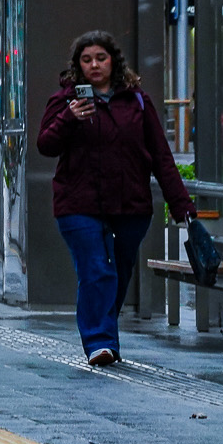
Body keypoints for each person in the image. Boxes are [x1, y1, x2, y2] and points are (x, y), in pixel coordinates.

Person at [34, 29, 193, 367]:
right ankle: (100, 342)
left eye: (100, 58)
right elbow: (45, 144)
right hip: (78, 204)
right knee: (96, 270)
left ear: (113, 61)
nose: (94, 65)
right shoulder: (65, 101)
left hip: (130, 204)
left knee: (117, 273)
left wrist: (181, 206)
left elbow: (161, 156)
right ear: (77, 65)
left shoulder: (137, 101)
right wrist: (69, 118)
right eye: (86, 59)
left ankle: (105, 332)